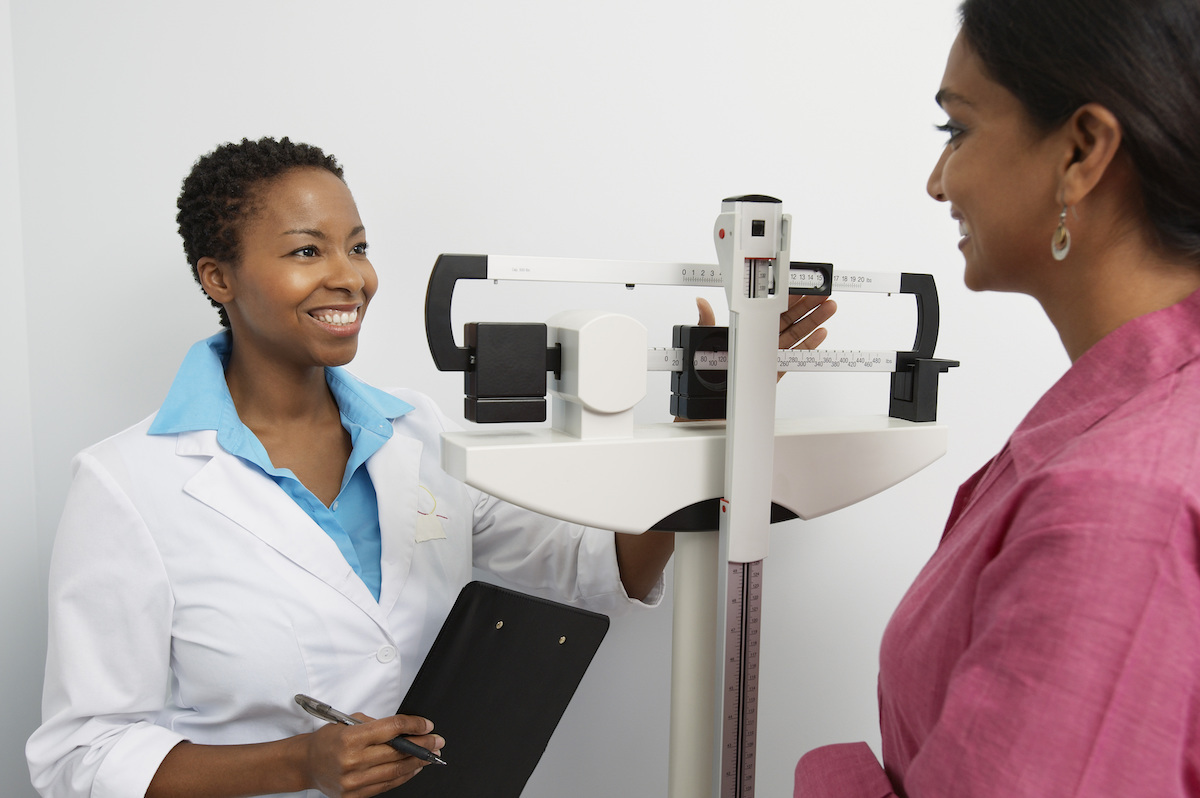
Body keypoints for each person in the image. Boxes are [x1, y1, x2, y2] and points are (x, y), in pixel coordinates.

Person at [25, 136, 835, 798]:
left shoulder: (413, 431)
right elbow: (81, 754)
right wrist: (299, 763)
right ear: (218, 277)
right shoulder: (129, 483)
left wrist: (710, 418)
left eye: (358, 246)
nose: (349, 276)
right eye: (307, 251)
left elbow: (597, 566)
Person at [795, 0, 1200, 795]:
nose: (938, 181)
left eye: (959, 131)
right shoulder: (1133, 422)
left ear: (1082, 151)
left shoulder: (1117, 504)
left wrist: (829, 776)